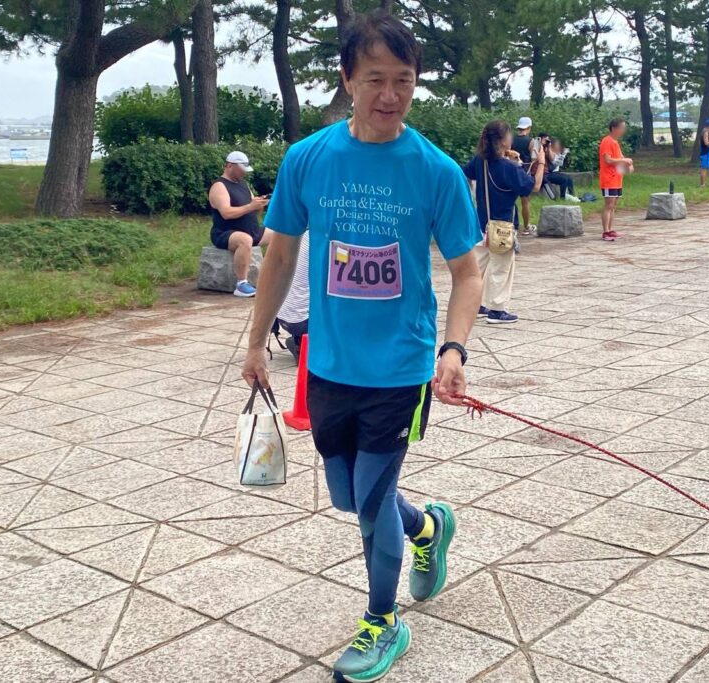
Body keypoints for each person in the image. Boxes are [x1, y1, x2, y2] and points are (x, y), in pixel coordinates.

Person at [240, 12, 483, 682]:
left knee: (370, 504)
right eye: (375, 78)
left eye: (403, 81)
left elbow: (468, 271)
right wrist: (256, 341)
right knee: (350, 497)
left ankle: (383, 619)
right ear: (348, 78)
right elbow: (281, 254)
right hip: (329, 363)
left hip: (401, 368)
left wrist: (453, 350)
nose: (390, 94)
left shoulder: (433, 170)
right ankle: (429, 527)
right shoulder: (308, 159)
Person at [464, 120, 539, 324]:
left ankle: (476, 304)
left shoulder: (480, 161)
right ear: (504, 141)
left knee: (478, 266)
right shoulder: (509, 167)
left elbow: (466, 173)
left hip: (481, 223)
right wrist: (540, 163)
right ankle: (497, 310)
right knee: (501, 267)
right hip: (503, 225)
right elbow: (532, 187)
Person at [208, 151, 270, 297]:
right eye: (241, 169)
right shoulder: (219, 186)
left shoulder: (243, 184)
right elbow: (226, 213)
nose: (244, 173)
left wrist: (259, 204)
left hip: (251, 230)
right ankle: (241, 284)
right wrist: (250, 207)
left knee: (282, 233)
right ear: (230, 166)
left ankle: (277, 272)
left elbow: (252, 208)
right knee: (245, 240)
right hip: (226, 232)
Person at [271, 232, 310, 361]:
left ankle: (301, 342)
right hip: (304, 319)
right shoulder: (325, 240)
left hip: (284, 317)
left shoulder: (299, 236)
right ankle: (303, 344)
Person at [598, 119, 633, 242]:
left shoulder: (616, 143)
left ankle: (610, 229)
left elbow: (621, 158)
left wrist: (628, 164)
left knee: (613, 206)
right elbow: (608, 160)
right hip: (609, 179)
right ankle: (605, 231)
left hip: (617, 179)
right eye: (621, 128)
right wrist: (624, 161)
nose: (623, 131)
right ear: (614, 128)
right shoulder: (607, 141)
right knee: (609, 204)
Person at [511, 116, 543, 234]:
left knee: (511, 201)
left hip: (512, 171)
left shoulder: (511, 139)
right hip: (525, 171)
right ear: (529, 128)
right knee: (525, 202)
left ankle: (512, 226)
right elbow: (534, 157)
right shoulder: (531, 141)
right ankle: (526, 227)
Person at [542, 138, 579, 202]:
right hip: (548, 173)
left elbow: (560, 163)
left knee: (569, 178)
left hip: (554, 172)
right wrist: (563, 155)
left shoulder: (556, 152)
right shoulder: (547, 150)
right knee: (564, 179)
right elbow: (555, 163)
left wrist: (563, 154)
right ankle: (563, 197)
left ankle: (571, 195)